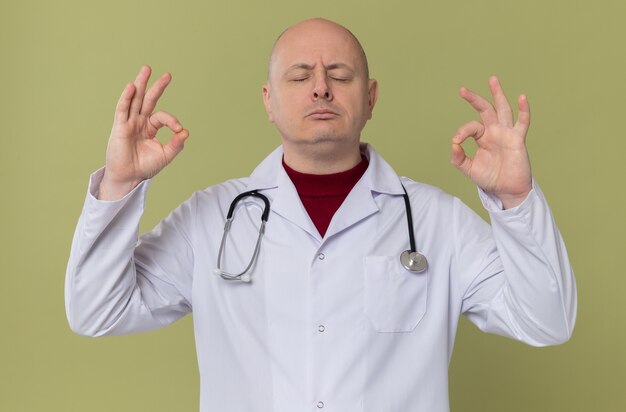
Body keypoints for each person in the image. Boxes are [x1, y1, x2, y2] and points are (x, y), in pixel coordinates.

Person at [65, 18, 577, 412]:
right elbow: (96, 312)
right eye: (300, 76)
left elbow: (547, 321)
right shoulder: (212, 218)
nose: (321, 89)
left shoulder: (437, 221)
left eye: (339, 74)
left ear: (370, 97)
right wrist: (121, 184)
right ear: (269, 101)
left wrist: (516, 198)